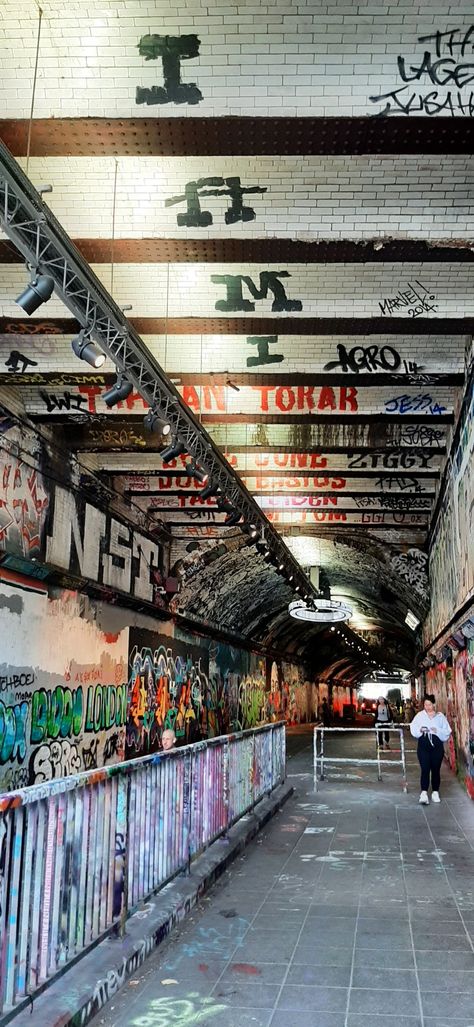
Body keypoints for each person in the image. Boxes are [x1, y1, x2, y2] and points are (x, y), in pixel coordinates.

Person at [410, 693, 451, 804]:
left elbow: (447, 731)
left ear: (434, 704)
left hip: (437, 747)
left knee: (435, 770)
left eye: (429, 704)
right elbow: (413, 728)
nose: (427, 707)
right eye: (425, 705)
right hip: (423, 745)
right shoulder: (420, 716)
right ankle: (423, 793)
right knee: (425, 769)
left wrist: (437, 730)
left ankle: (435, 792)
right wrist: (420, 730)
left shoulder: (440, 717)